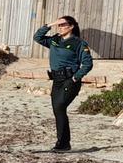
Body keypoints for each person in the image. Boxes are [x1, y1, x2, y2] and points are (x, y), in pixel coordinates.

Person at [34, 16, 93, 151]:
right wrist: (51, 24)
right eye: (59, 25)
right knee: (58, 110)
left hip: (70, 81)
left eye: (63, 24)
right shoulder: (55, 40)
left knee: (60, 107)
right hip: (57, 80)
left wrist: (75, 78)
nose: (60, 27)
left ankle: (63, 143)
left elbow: (88, 64)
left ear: (71, 26)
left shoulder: (78, 43)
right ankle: (64, 143)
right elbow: (37, 37)